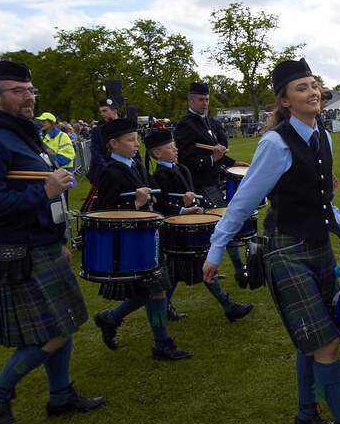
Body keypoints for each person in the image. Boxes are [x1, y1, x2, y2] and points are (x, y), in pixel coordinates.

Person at [203, 58, 340, 424]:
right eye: (302, 88)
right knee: (327, 341)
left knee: (311, 338)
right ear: (285, 99)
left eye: (314, 85)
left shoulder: (324, 137)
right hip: (285, 249)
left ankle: (305, 415)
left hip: (318, 245)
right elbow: (243, 202)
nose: (313, 92)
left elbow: (322, 202)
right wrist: (216, 249)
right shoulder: (275, 144)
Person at [0, 60, 106, 424]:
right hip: (16, 249)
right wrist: (43, 191)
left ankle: (60, 395)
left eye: (30, 91)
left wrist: (58, 238)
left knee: (64, 324)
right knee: (56, 330)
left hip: (43, 243)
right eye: (17, 91)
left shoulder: (25, 135)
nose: (27, 97)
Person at [90, 118, 192, 361]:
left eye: (136, 139)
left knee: (154, 291)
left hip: (147, 237)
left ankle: (111, 318)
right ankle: (160, 343)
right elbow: (104, 212)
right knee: (156, 291)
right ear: (113, 144)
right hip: (129, 241)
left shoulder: (135, 165)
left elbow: (155, 198)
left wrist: (179, 210)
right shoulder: (110, 173)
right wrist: (135, 203)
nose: (137, 144)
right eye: (130, 140)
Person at [146, 128, 254, 323]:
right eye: (170, 147)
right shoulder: (158, 177)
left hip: (188, 227)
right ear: (157, 154)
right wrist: (182, 207)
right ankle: (228, 307)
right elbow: (162, 206)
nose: (176, 149)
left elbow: (192, 195)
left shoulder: (182, 169)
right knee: (196, 267)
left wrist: (207, 207)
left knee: (172, 276)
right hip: (177, 232)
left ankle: (114, 317)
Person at [176, 81, 249, 287]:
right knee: (227, 222)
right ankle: (237, 267)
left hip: (214, 181)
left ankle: (230, 266)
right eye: (201, 99)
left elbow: (217, 152)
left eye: (207, 99)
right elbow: (185, 161)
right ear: (191, 100)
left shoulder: (208, 122)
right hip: (200, 185)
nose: (205, 103)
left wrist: (233, 163)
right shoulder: (186, 124)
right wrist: (212, 160)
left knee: (226, 223)